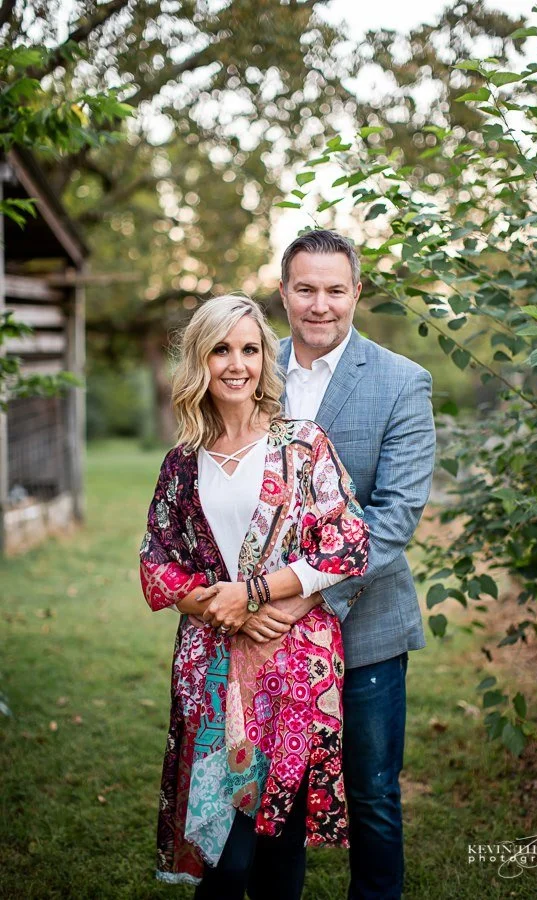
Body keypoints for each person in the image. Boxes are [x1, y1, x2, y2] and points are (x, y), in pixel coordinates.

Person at [139, 294, 369, 898]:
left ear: (265, 358)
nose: (236, 364)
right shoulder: (182, 463)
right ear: (200, 361)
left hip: (294, 664)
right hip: (213, 669)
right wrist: (221, 608)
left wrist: (256, 594)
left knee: (277, 846)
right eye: (221, 349)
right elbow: (157, 562)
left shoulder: (303, 444)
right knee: (223, 853)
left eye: (249, 348)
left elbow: (347, 544)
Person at [246, 230, 436, 900]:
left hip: (365, 626)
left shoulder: (401, 382)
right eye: (305, 289)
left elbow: (393, 519)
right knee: (277, 792)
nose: (319, 304)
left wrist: (301, 594)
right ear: (284, 293)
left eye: (334, 289)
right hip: (264, 631)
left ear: (356, 292)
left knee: (374, 793)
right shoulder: (248, 371)